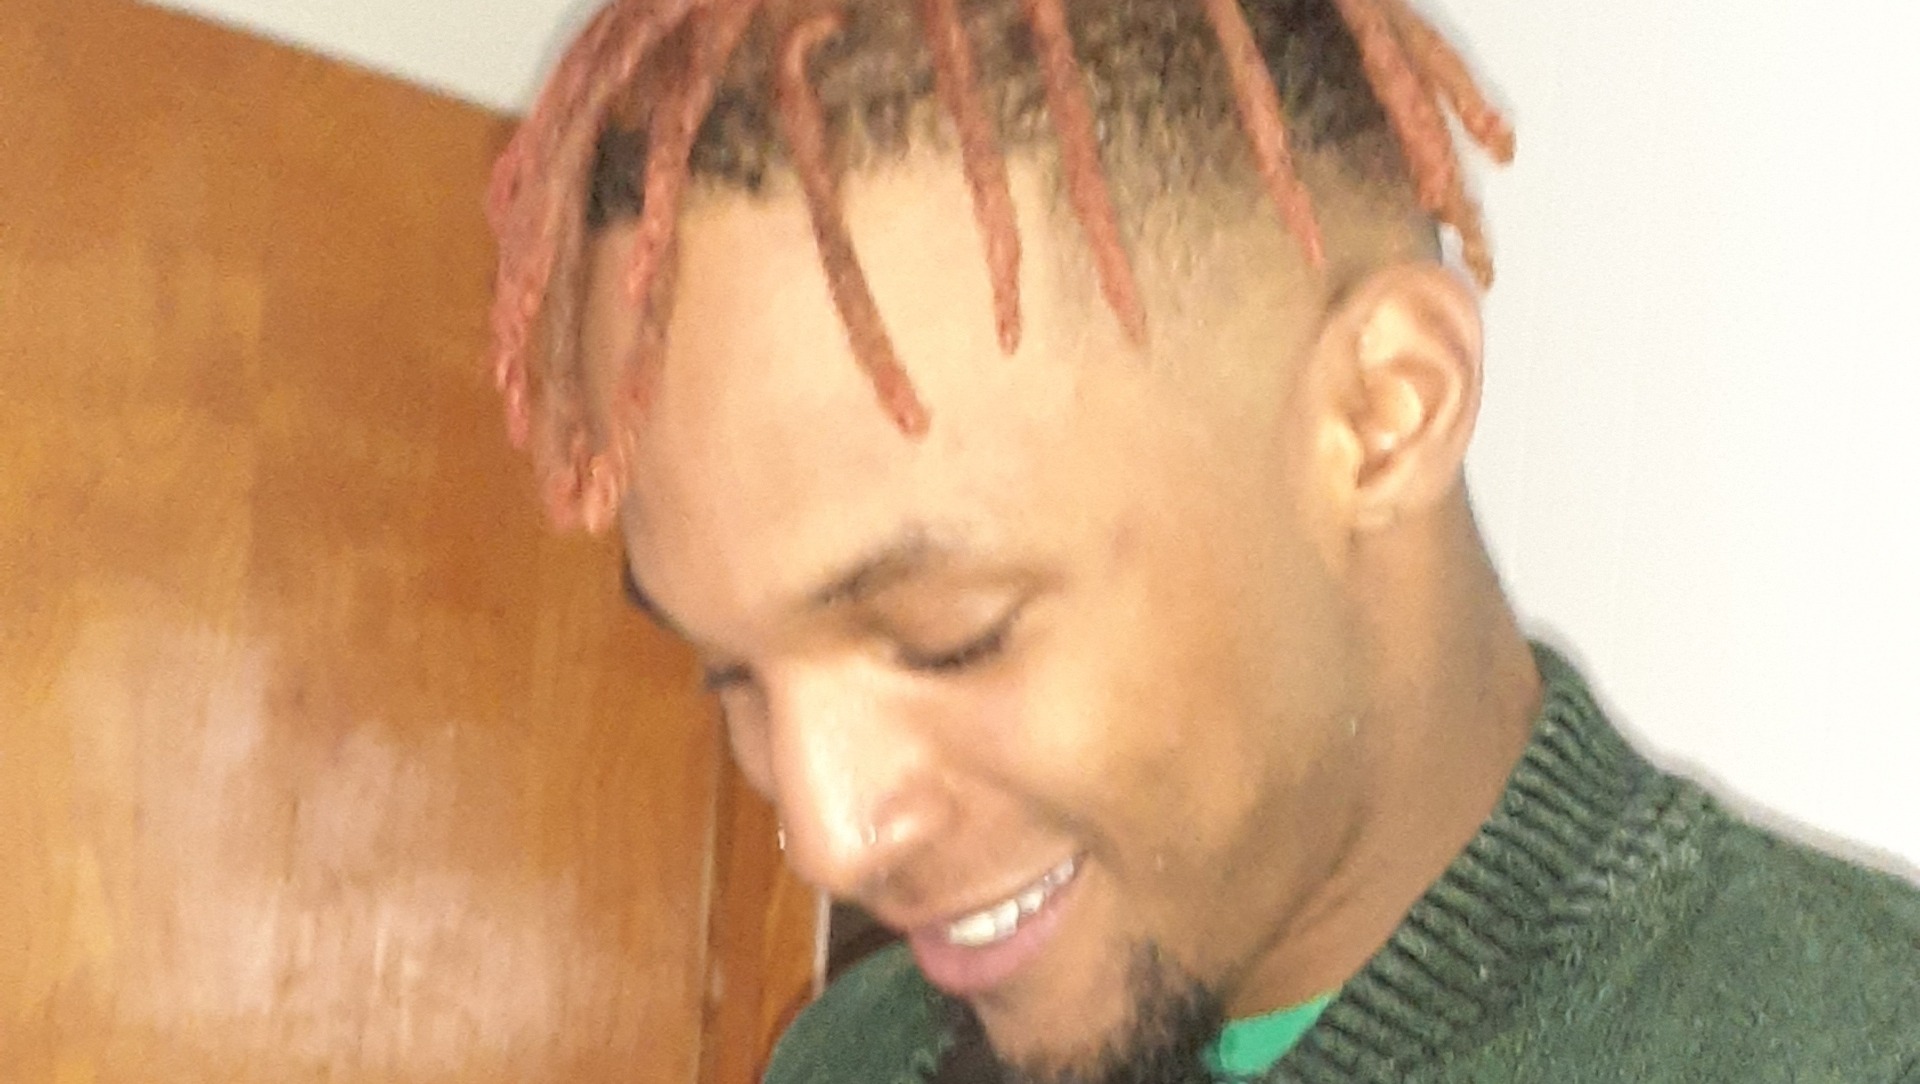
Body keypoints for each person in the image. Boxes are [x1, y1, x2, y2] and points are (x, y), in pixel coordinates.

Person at [483, 1, 1920, 1081]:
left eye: (950, 638)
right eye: (734, 678)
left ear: (1384, 414)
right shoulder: (848, 1064)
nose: (831, 836)